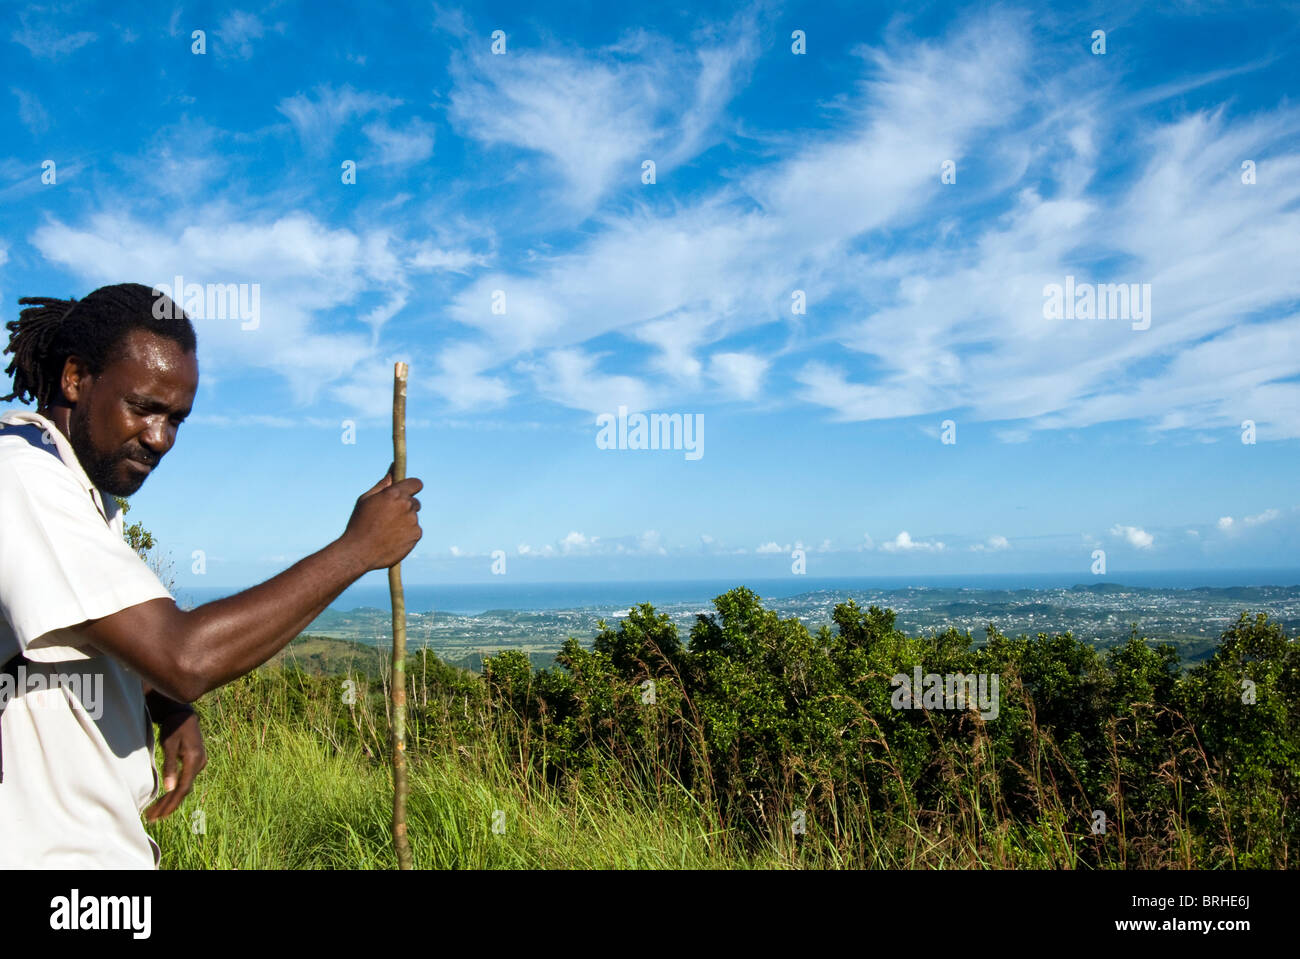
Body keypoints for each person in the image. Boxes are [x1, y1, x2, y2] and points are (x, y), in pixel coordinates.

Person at [0, 283, 422, 867]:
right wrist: (355, 551)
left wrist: (164, 705)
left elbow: (96, 634)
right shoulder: (21, 477)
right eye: (144, 407)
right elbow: (184, 657)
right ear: (75, 378)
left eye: (177, 419)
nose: (160, 439)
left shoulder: (75, 487)